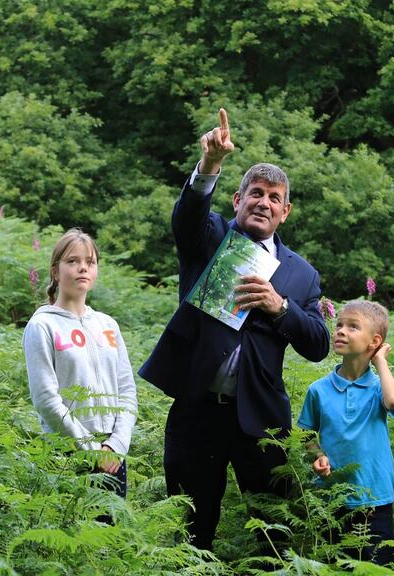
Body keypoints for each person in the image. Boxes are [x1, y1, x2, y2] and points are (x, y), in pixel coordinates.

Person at [138, 108, 330, 550]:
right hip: (196, 410)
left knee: (273, 533)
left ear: (285, 211)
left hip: (262, 419)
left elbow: (318, 344)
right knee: (191, 528)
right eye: (255, 193)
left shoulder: (301, 274)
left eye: (273, 197)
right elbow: (187, 216)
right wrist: (209, 164)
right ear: (237, 200)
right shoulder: (208, 239)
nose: (263, 202)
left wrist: (280, 308)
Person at [23, 228, 138, 498]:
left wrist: (116, 445)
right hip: (67, 456)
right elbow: (45, 399)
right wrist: (89, 452)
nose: (82, 268)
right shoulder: (42, 326)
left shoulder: (108, 325)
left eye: (90, 262)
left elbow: (127, 391)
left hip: (112, 457)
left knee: (111, 538)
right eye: (72, 261)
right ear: (55, 271)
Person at [296, 300, 394, 565]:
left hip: (374, 498)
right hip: (332, 498)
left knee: (376, 567)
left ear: (374, 341)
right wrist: (317, 455)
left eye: (353, 327)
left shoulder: (379, 387)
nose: (341, 331)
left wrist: (380, 362)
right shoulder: (319, 390)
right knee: (336, 566)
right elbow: (306, 435)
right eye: (340, 324)